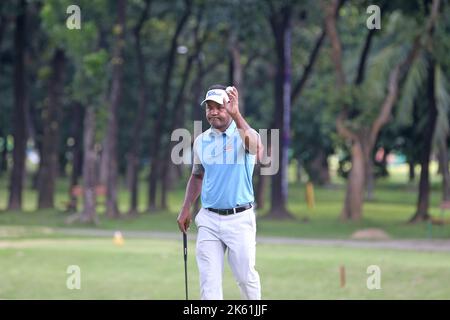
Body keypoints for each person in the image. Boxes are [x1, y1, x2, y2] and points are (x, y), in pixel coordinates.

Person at [177, 84, 264, 300]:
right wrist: (186, 208)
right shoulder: (201, 141)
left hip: (240, 219)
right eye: (210, 107)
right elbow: (197, 176)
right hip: (209, 220)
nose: (214, 112)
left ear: (230, 107)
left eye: (220, 107)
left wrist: (236, 115)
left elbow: (255, 148)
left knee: (245, 278)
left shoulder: (244, 134)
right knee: (209, 283)